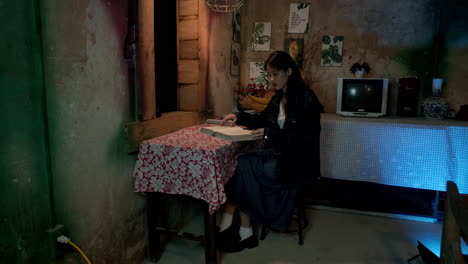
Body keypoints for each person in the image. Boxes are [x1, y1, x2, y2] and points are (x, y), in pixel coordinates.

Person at [217, 51, 322, 253]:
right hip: (280, 156)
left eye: (275, 74)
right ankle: (242, 230)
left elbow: (303, 139)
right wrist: (237, 116)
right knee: (241, 162)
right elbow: (261, 120)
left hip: (296, 163)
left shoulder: (306, 98)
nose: (271, 80)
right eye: (270, 75)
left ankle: (232, 224)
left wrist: (269, 133)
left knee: (242, 164)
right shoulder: (278, 98)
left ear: (289, 71)